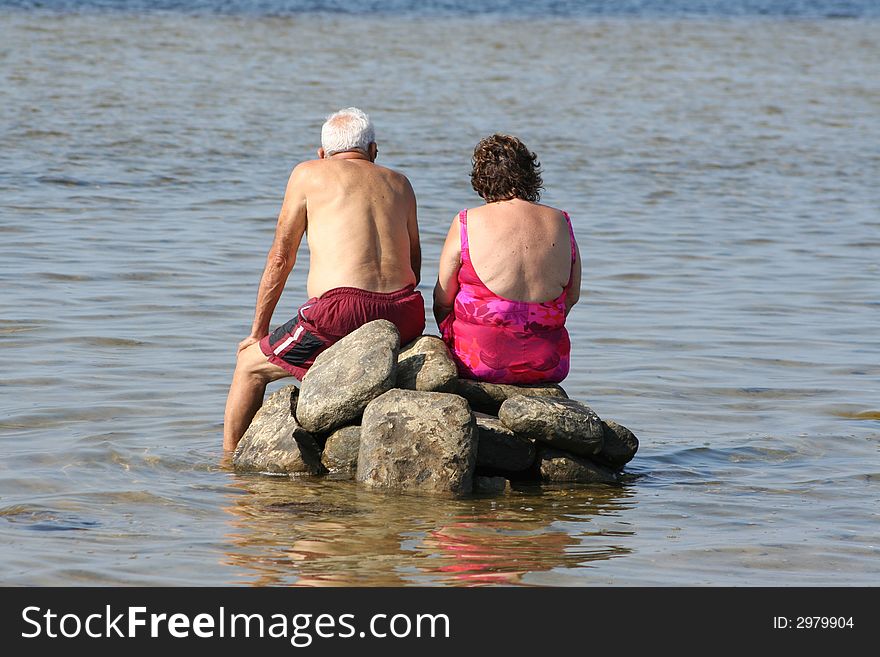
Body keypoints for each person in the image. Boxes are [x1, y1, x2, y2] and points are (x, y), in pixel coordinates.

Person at [223, 108, 424, 451]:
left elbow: (280, 259)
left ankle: (229, 468)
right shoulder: (400, 182)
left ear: (322, 154)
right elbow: (415, 266)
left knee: (248, 366)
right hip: (405, 311)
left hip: (340, 311)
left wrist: (258, 332)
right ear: (374, 150)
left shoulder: (308, 173)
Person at [433, 134, 581, 384]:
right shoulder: (561, 221)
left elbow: (442, 300)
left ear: (481, 178)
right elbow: (572, 296)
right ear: (529, 174)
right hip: (549, 362)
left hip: (478, 361)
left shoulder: (467, 221)